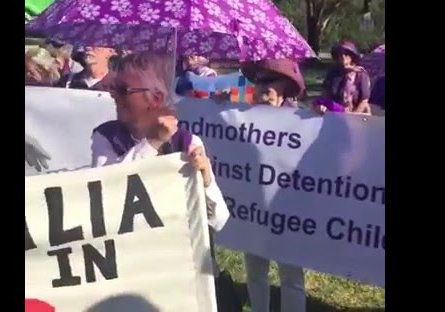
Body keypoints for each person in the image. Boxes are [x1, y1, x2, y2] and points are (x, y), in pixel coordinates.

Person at [89, 51, 236, 310]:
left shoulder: (187, 142)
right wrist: (152, 143)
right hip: (126, 269)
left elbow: (219, 221)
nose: (114, 95)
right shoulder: (106, 137)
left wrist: (206, 180)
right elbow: (106, 191)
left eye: (123, 90)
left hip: (175, 273)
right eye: (114, 87)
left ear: (155, 98)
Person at [239, 58, 307, 312]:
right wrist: (219, 109)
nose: (261, 87)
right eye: (258, 80)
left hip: (288, 213)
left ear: (286, 88)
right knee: (255, 271)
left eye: (269, 81)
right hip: (253, 209)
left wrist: (323, 118)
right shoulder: (244, 117)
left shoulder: (303, 122)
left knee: (291, 276)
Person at [314, 41, 371, 115]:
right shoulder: (333, 72)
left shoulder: (360, 74)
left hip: (357, 116)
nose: (343, 56)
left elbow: (364, 100)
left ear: (352, 56)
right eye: (340, 54)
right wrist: (321, 106)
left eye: (346, 54)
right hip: (334, 115)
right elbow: (325, 94)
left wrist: (353, 117)